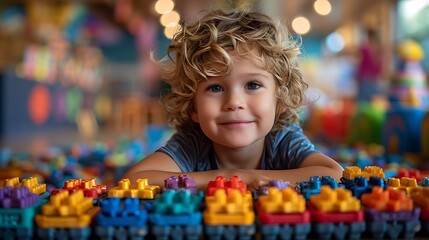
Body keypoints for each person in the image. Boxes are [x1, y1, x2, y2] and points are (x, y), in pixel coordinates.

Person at [123, 9, 343, 189]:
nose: (234, 102)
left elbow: (335, 174)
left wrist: (243, 176)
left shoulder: (282, 140)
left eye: (253, 85)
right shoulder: (194, 143)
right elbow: (133, 179)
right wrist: (230, 176)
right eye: (216, 87)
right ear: (193, 106)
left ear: (280, 99)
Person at [355, 28, 384, 102]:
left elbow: (357, 61)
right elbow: (380, 67)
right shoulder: (379, 50)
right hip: (374, 81)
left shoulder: (364, 48)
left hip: (365, 79)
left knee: (363, 104)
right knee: (373, 104)